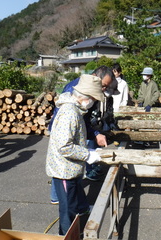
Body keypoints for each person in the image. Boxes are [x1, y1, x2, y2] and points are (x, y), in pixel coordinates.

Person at [46, 74, 104, 236]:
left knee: (72, 202)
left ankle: (71, 230)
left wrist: (88, 152)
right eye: (93, 98)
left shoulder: (76, 110)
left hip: (70, 168)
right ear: (86, 97)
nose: (93, 102)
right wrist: (87, 155)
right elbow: (64, 146)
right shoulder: (70, 113)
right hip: (64, 169)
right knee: (67, 209)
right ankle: (66, 235)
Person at [49, 66, 115, 204]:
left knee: (74, 171)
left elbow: (85, 118)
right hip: (65, 136)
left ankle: (76, 203)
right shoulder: (74, 96)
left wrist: (94, 134)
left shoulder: (89, 93)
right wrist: (89, 151)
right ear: (96, 76)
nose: (104, 89)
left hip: (75, 133)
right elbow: (65, 142)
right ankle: (60, 198)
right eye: (103, 85)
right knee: (64, 171)